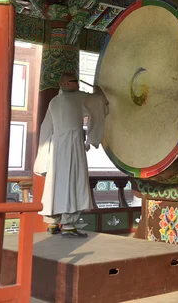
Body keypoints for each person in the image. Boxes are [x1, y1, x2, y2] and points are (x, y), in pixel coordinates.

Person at [34, 73, 109, 238]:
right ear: (66, 84)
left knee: (55, 183)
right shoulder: (78, 98)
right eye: (75, 81)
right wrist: (99, 91)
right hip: (72, 144)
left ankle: (53, 221)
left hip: (56, 146)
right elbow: (98, 101)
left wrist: (43, 155)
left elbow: (46, 127)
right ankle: (68, 224)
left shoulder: (54, 102)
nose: (78, 84)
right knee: (73, 181)